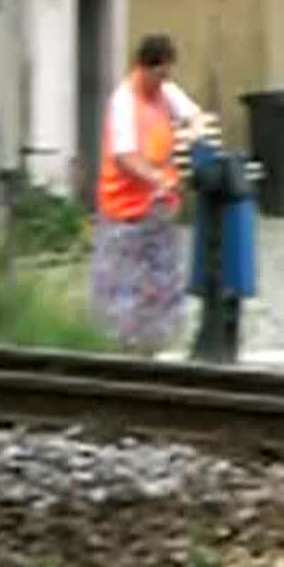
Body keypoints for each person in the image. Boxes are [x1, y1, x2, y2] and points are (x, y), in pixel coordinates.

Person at [90, 34, 205, 354]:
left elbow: (193, 115)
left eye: (168, 75)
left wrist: (192, 133)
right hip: (124, 210)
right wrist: (156, 178)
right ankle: (121, 346)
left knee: (160, 281)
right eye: (160, 74)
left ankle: (155, 343)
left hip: (157, 207)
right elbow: (124, 157)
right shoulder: (124, 101)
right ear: (145, 68)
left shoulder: (165, 93)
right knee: (123, 284)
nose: (164, 82)